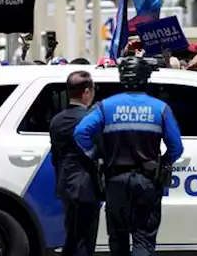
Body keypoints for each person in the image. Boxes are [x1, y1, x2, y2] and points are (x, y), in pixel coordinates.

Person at [74, 57, 183, 256]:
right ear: (146, 78)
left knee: (118, 238)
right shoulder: (160, 108)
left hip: (115, 181)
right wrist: (164, 162)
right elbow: (177, 147)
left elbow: (81, 132)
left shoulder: (106, 106)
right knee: (144, 238)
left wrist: (95, 155)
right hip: (148, 181)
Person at [51, 71, 102, 256]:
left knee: (71, 236)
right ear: (87, 91)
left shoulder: (56, 120)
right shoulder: (90, 120)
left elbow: (55, 155)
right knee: (84, 240)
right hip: (86, 185)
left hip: (65, 184)